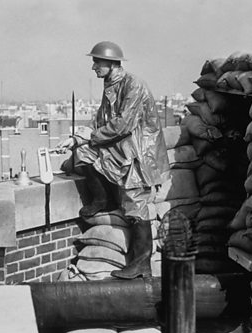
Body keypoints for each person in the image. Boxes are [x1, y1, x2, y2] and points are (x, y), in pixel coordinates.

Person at [58, 41, 169, 279]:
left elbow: (123, 125)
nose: (93, 67)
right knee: (83, 155)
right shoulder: (111, 84)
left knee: (135, 204)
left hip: (137, 152)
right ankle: (103, 200)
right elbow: (100, 121)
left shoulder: (133, 85)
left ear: (110, 63)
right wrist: (77, 139)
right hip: (120, 147)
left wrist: (91, 137)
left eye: (97, 62)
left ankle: (141, 263)